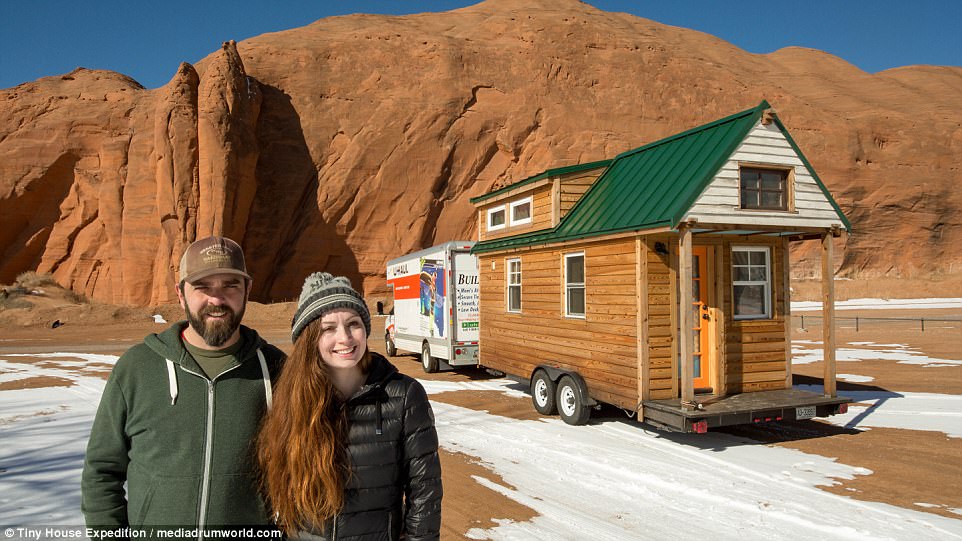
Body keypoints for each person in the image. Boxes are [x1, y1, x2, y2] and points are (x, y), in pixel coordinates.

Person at [81, 236, 285, 531]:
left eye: (230, 285)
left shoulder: (277, 370)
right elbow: (101, 472)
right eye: (202, 287)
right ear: (180, 293)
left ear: (247, 290)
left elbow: (300, 471)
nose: (217, 299)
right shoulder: (137, 369)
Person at [257, 272, 442, 540]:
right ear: (309, 339)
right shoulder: (289, 397)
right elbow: (274, 488)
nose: (344, 338)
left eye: (353, 324)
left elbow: (425, 491)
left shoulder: (403, 396)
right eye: (328, 328)